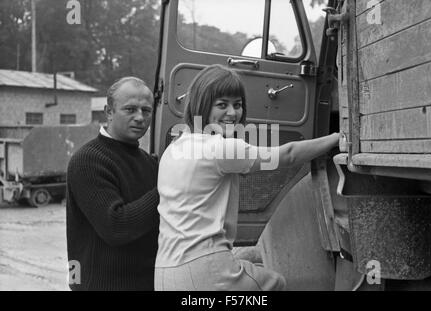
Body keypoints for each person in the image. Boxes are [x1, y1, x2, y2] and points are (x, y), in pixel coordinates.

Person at [154, 64, 340, 291]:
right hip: (206, 269)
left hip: (166, 272)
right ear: (201, 105)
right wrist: (336, 138)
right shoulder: (219, 148)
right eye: (222, 105)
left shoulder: (176, 146)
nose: (232, 113)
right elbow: (289, 155)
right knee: (276, 283)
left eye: (238, 104)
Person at [66, 77, 160, 290]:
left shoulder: (148, 162)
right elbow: (116, 227)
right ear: (108, 112)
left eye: (146, 111)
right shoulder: (88, 160)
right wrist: (169, 188)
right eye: (130, 109)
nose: (140, 117)